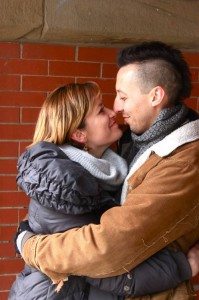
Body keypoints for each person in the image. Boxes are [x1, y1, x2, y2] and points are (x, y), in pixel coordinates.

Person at [17, 41, 199, 299]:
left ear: (156, 96)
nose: (117, 108)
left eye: (123, 97)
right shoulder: (130, 142)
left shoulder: (183, 161)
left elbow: (110, 245)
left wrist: (30, 245)